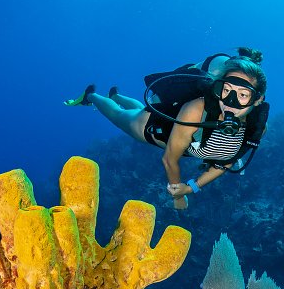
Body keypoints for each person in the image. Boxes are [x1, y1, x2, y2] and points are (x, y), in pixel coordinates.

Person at [65, 48, 268, 210]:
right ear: (218, 87)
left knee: (133, 110)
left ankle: (117, 96)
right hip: (152, 127)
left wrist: (191, 188)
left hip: (179, 129)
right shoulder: (196, 110)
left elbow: (225, 163)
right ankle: (90, 97)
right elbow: (170, 159)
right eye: (226, 90)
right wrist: (177, 195)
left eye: (243, 95)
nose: (230, 102)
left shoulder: (257, 127)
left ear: (257, 100)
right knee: (118, 116)